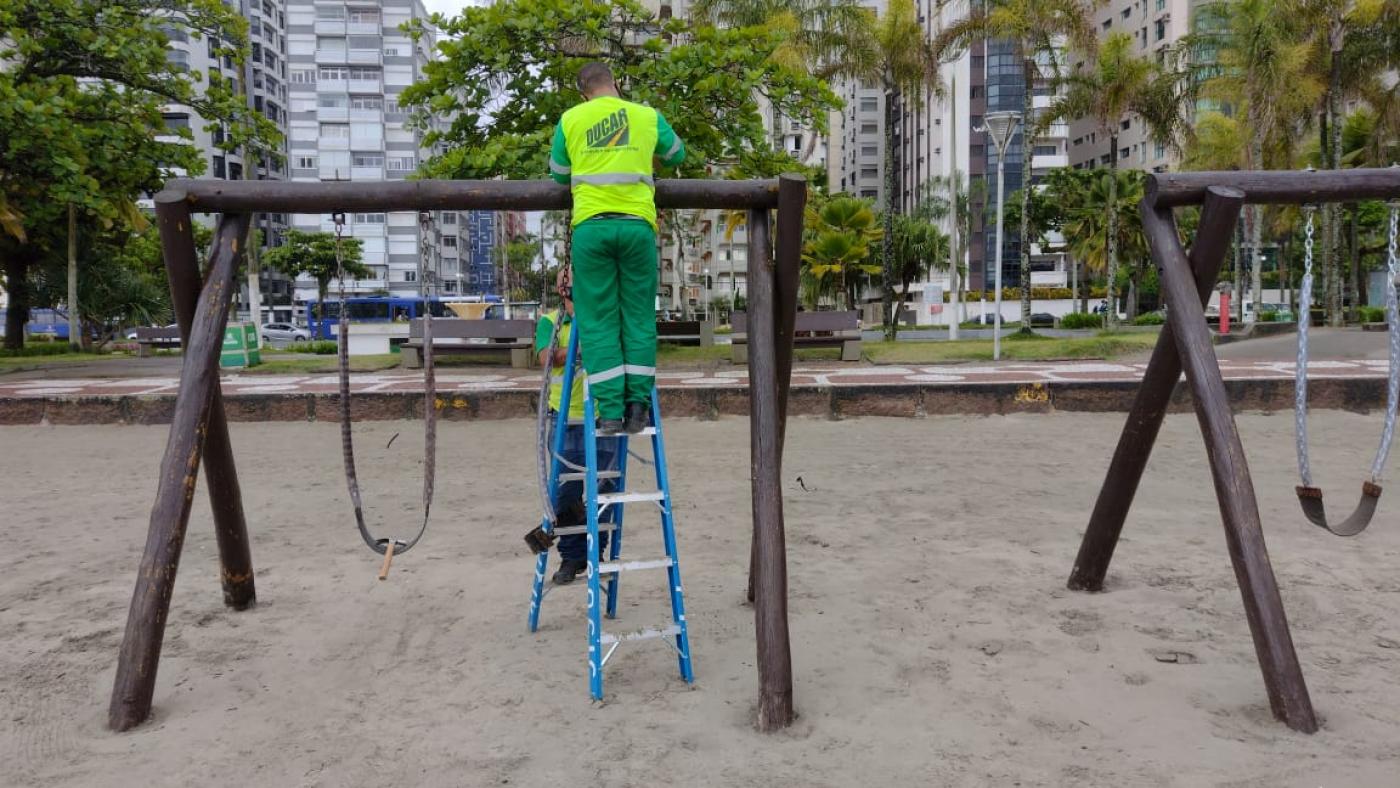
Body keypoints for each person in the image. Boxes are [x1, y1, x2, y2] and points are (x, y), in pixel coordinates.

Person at [548, 61, 687, 435]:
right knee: (638, 317)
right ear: (617, 84)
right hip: (637, 225)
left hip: (592, 228)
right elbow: (677, 154)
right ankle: (638, 407)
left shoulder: (571, 120)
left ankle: (609, 413)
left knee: (599, 321)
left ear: (583, 92)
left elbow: (558, 174)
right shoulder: (646, 115)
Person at [537, 267, 620, 585]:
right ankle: (572, 557)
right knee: (567, 489)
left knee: (605, 486)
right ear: (562, 288)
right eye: (570, 279)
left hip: (602, 415)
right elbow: (545, 356)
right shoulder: (551, 322)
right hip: (566, 417)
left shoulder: (601, 318)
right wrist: (576, 352)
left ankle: (596, 552)